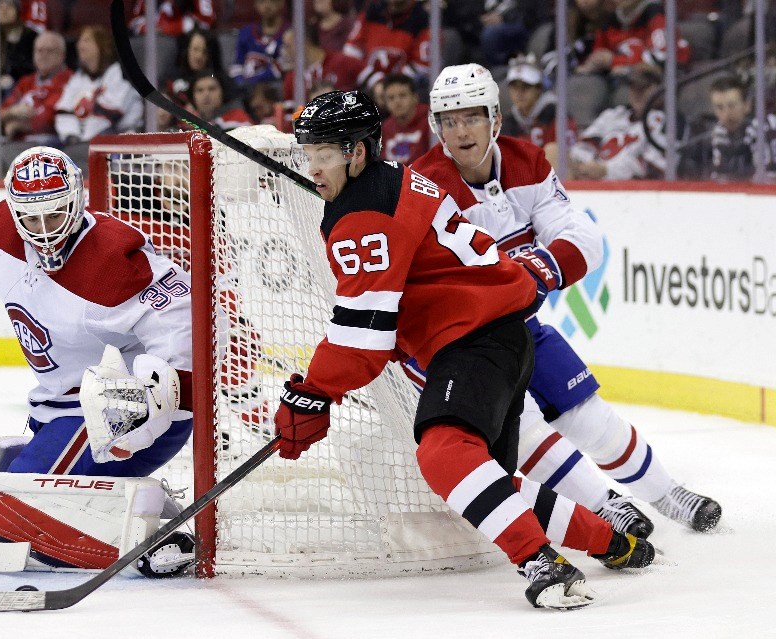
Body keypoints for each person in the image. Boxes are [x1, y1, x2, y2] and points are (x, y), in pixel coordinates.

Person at [277, 90, 655, 611]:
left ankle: (544, 565)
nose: (312, 167)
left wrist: (311, 394)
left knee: (444, 455)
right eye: (308, 153)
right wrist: (321, 392)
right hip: (500, 333)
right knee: (486, 483)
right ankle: (613, 542)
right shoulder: (395, 181)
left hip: (474, 337)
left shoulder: (365, 214)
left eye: (323, 153)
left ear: (355, 151)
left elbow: (363, 333)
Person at [411, 63, 722, 534]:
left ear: (495, 119)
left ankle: (667, 493)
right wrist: (517, 281)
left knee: (586, 412)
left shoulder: (527, 162)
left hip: (516, 326)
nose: (460, 131)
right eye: (449, 121)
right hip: (460, 345)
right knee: (528, 427)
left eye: (471, 117)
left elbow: (582, 236)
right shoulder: (427, 185)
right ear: (437, 128)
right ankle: (604, 505)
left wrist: (537, 271)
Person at [0, 146, 194, 479]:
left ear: (76, 201)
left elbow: (187, 321)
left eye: (55, 214)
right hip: (57, 408)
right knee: (2, 500)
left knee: (14, 514)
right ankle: (120, 501)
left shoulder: (114, 261)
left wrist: (154, 397)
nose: (45, 231)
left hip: (120, 419)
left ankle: (130, 502)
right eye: (32, 218)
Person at [568, 62, 682, 180]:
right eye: (633, 86)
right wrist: (588, 166)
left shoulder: (671, 122)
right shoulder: (613, 115)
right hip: (592, 178)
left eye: (644, 87)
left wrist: (605, 170)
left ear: (659, 91)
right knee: (553, 151)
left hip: (631, 190)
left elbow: (655, 168)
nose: (637, 92)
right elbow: (583, 146)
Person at [54, 25, 143, 174]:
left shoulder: (120, 73)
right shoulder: (78, 79)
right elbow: (63, 110)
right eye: (79, 41)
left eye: (87, 40)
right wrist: (71, 136)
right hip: (85, 144)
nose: (80, 45)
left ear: (102, 45)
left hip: (122, 141)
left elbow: (110, 112)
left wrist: (86, 141)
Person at [679, 74, 776, 182]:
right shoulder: (715, 133)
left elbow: (767, 178)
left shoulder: (763, 128)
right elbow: (718, 178)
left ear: (747, 105)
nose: (727, 113)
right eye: (719, 107)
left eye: (732, 105)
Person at [0, 30, 73, 167]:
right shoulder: (25, 82)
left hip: (49, 145)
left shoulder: (69, 81)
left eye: (49, 51)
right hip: (18, 143)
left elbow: (50, 118)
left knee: (0, 156)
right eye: (39, 51)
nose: (43, 56)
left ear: (62, 55)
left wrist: (17, 125)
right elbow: (0, 112)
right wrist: (11, 113)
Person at [500, 53, 577, 170]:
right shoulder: (508, 121)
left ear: (538, 89)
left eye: (525, 87)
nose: (519, 93)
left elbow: (570, 153)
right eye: (515, 87)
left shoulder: (556, 113)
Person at [342, 0, 430, 91]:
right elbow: (351, 52)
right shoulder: (371, 11)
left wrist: (391, 88)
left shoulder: (423, 20)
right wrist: (374, 81)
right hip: (367, 87)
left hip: (404, 92)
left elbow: (421, 66)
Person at [230, 0, 289, 87]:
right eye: (262, 1)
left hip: (275, 87)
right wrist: (241, 82)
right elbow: (237, 64)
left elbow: (283, 65)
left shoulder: (289, 33)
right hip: (246, 89)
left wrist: (253, 81)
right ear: (256, 4)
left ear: (281, 3)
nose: (267, 6)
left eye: (272, 1)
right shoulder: (246, 31)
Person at [379, 73, 430, 164]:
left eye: (402, 95)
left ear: (415, 97)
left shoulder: (430, 120)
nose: (397, 102)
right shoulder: (385, 128)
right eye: (391, 98)